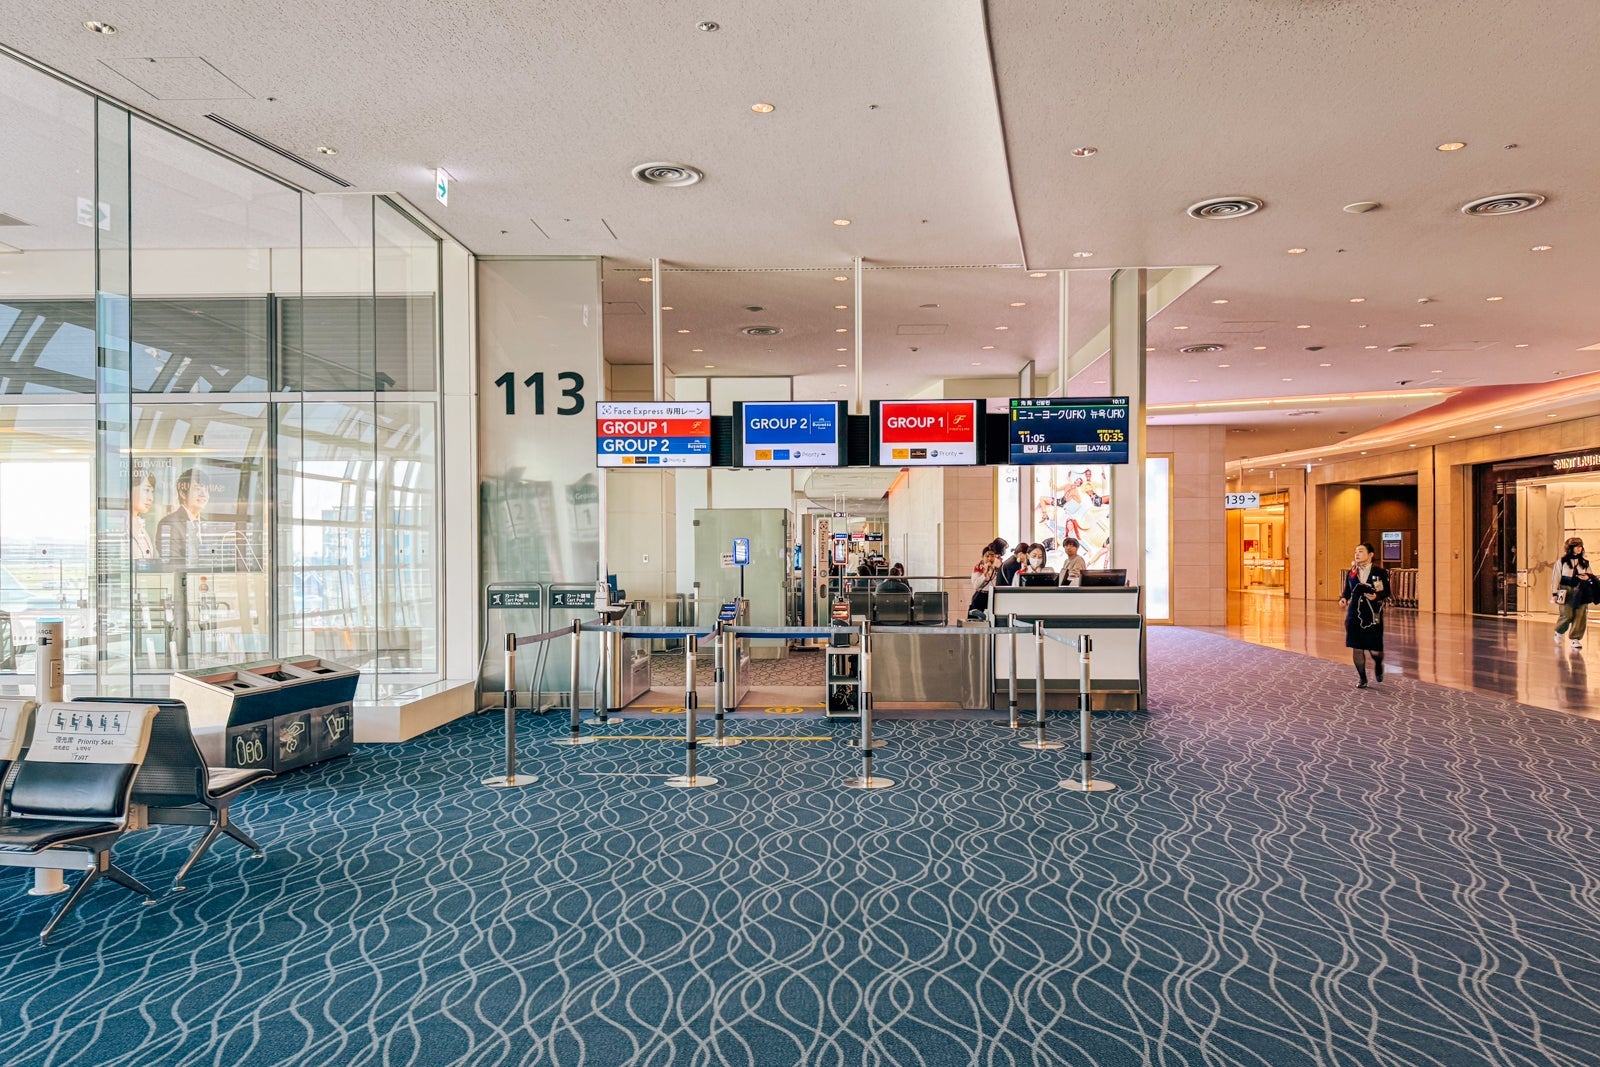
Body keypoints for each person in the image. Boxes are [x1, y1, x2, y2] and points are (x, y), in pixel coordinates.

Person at [1339, 541, 1390, 688]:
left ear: (1370, 554)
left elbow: (1386, 591)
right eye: (1356, 552)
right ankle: (1362, 678)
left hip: (1372, 613)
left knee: (1375, 650)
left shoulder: (1380, 572)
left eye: (1361, 551)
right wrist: (1343, 598)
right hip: (1354, 614)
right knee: (1357, 647)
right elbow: (1347, 591)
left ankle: (1378, 664)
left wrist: (1377, 596)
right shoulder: (1352, 572)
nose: (1357, 554)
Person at [157, 467, 210, 563]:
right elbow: (172, 562)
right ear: (183, 493)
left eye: (206, 489)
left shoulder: (206, 524)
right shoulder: (169, 523)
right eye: (198, 489)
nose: (203, 494)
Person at [1551, 537, 1594, 650]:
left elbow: (1590, 575)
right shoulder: (1562, 562)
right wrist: (1554, 593)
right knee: (1566, 614)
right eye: (1576, 546)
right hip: (1566, 590)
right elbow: (1556, 577)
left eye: (1580, 546)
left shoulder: (1584, 563)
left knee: (1580, 615)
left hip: (1581, 590)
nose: (1579, 548)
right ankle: (1559, 631)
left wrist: (1588, 577)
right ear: (1570, 548)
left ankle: (1575, 639)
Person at [968, 548, 1001, 619]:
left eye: (992, 556)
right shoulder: (978, 567)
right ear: (982, 557)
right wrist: (984, 574)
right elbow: (976, 586)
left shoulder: (997, 568)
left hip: (993, 596)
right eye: (987, 556)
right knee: (976, 620)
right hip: (981, 596)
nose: (990, 558)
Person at [129, 471, 155, 560]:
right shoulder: (121, 527)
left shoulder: (141, 526)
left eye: (152, 492)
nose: (151, 498)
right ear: (129, 491)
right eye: (146, 490)